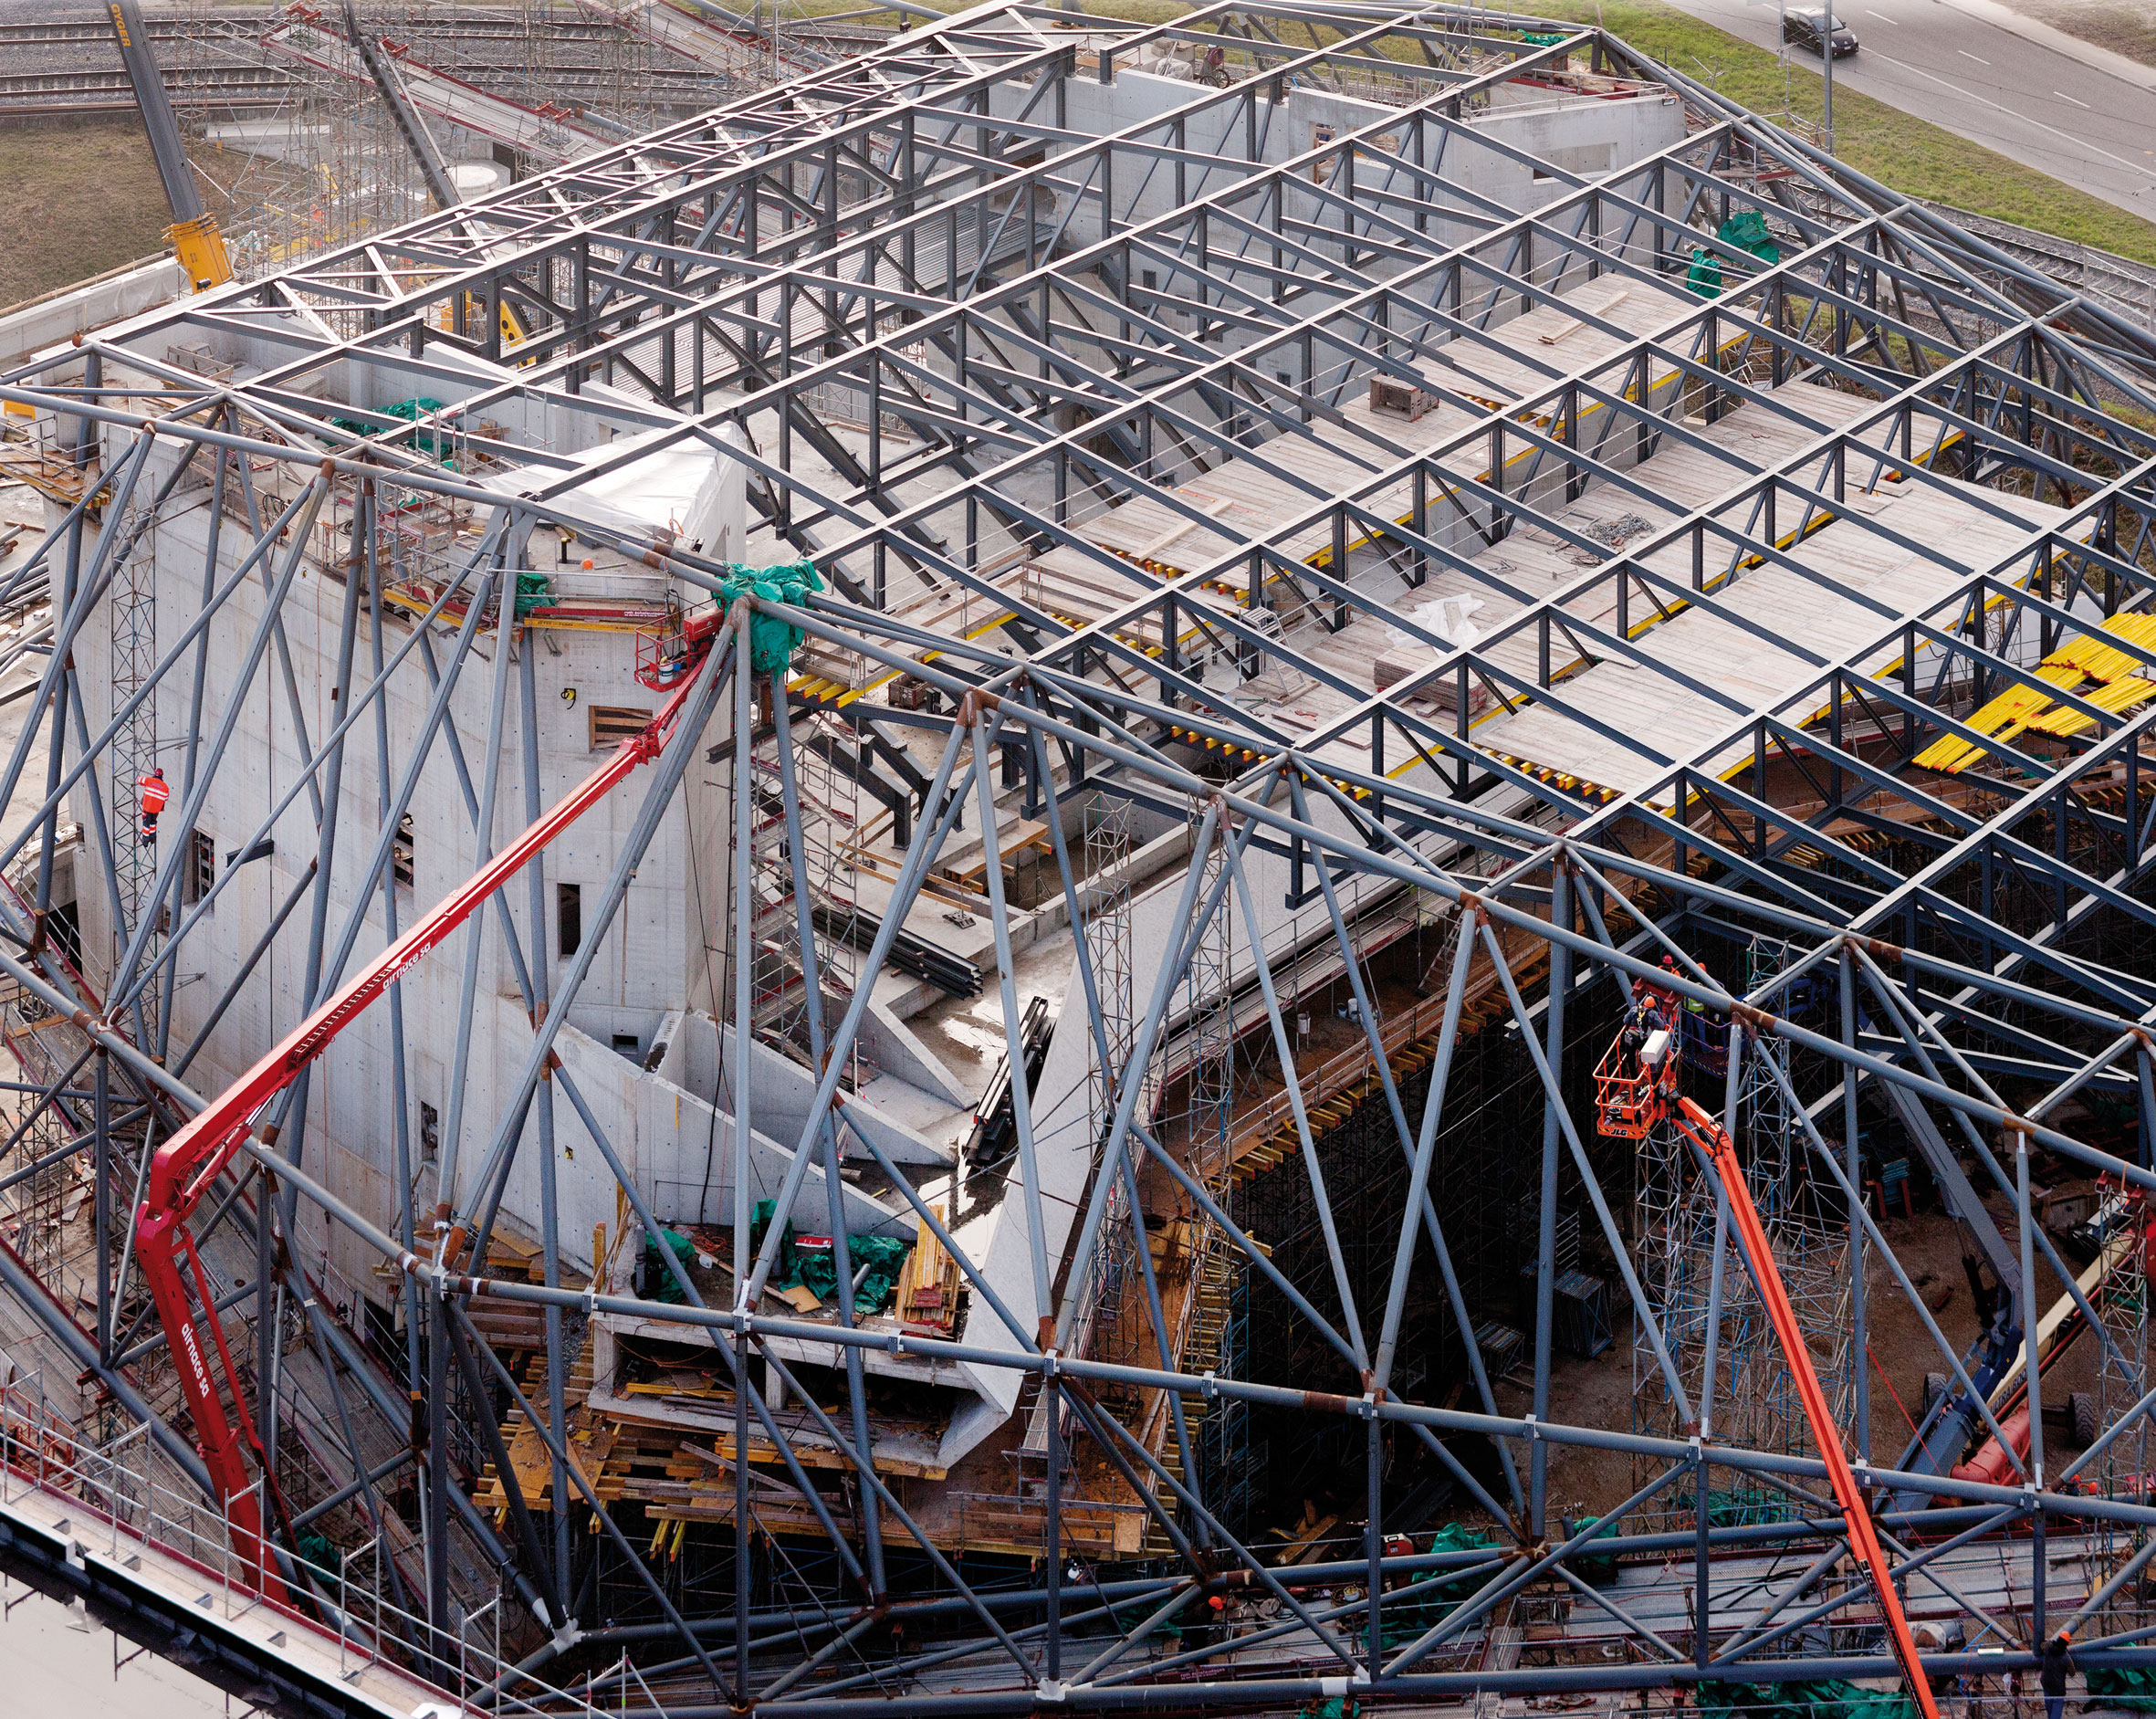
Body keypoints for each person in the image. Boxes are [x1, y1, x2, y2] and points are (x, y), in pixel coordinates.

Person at [2042, 1628, 2072, 1719]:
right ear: (2066, 1644)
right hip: (2058, 1690)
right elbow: (2072, 1673)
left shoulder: (2048, 1649)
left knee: (2049, 1710)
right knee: (2055, 1715)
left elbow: (2043, 1645)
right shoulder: (2066, 1658)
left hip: (2046, 1685)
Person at [137, 766, 168, 848]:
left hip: (147, 807)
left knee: (146, 823)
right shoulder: (165, 787)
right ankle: (152, 838)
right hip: (156, 809)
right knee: (153, 822)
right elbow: (166, 798)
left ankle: (145, 840)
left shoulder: (150, 781)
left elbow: (139, 780)